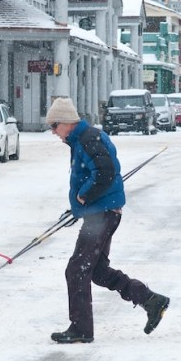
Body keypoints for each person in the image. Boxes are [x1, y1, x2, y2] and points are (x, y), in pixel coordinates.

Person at [45, 97, 169, 344]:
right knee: (98, 272)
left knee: (76, 270)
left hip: (102, 215)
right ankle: (151, 300)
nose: (53, 132)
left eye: (53, 126)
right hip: (101, 213)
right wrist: (78, 207)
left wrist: (84, 196)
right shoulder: (82, 138)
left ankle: (81, 329)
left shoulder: (87, 138)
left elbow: (105, 172)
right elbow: (98, 173)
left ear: (66, 122)